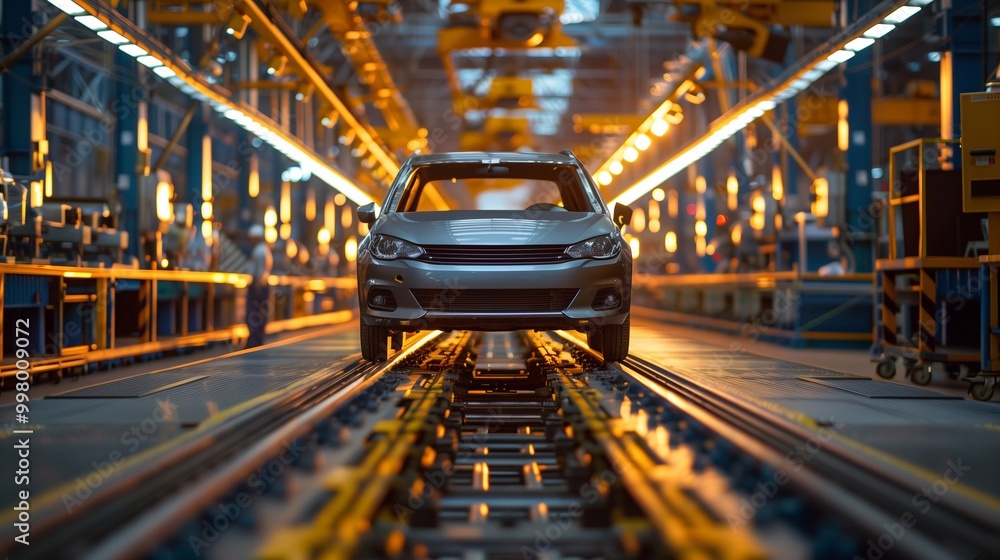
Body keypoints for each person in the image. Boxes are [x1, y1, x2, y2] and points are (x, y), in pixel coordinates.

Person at [245, 224, 273, 348]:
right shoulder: (265, 249)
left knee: (253, 312)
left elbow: (259, 271)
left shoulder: (258, 251)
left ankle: (254, 339)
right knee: (260, 313)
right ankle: (257, 338)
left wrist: (256, 284)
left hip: (258, 285)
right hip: (263, 285)